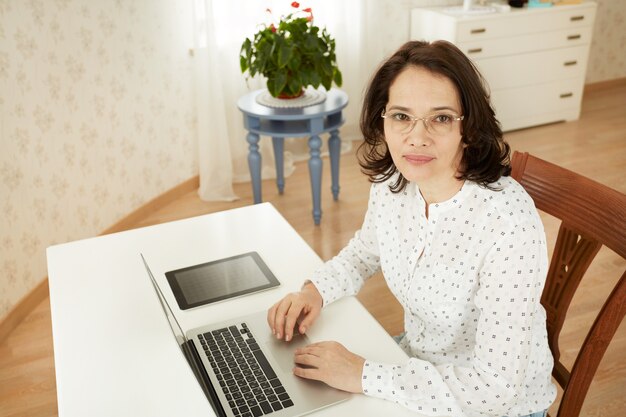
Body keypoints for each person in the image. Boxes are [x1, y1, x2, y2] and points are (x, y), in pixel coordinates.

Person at [267, 40, 556, 417]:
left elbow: (494, 389)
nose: (416, 138)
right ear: (382, 120)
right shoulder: (393, 183)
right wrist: (314, 290)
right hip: (416, 362)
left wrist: (364, 375)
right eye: (401, 116)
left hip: (492, 403)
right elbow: (364, 252)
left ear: (468, 128)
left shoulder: (508, 226)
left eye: (440, 118)